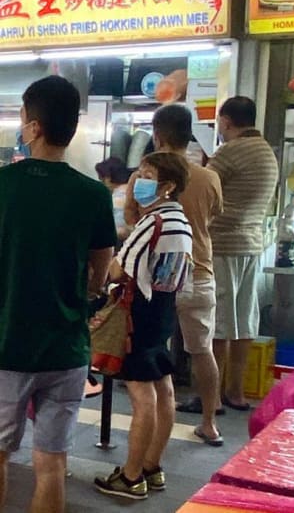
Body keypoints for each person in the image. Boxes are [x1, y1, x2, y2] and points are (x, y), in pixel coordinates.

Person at [0, 76, 116, 513]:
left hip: (6, 345)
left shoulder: (3, 186)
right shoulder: (92, 195)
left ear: (33, 127)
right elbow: (99, 275)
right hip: (66, 348)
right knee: (51, 463)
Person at [124, 103, 225, 445]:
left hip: (156, 278)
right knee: (202, 350)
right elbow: (213, 218)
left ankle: (148, 448)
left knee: (156, 362)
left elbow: (132, 221)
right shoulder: (210, 176)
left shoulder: (144, 176)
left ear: (157, 134)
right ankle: (210, 422)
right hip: (199, 271)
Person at [94, 152, 193, 501]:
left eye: (148, 175)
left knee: (142, 396)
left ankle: (131, 476)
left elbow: (120, 270)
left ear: (168, 186)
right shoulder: (179, 219)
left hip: (138, 316)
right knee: (163, 389)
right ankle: (152, 465)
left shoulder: (153, 223)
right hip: (163, 312)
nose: (140, 180)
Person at [209, 96, 279, 411]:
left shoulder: (230, 151)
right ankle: (235, 393)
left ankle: (211, 398)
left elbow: (205, 191)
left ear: (226, 121)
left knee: (219, 324)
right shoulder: (266, 152)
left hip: (223, 244)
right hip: (252, 245)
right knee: (244, 321)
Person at [95, 156, 133, 243]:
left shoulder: (118, 198)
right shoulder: (131, 190)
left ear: (107, 178)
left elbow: (120, 230)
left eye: (102, 179)